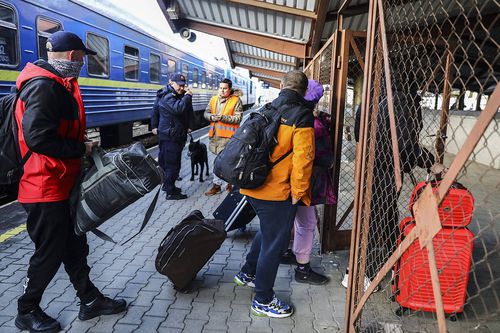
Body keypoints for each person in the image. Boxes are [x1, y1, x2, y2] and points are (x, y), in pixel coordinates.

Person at [13, 31, 126, 333]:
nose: (82, 64)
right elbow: (38, 138)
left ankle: (89, 300)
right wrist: (81, 148)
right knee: (49, 252)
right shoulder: (44, 87)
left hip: (60, 183)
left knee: (75, 246)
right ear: (75, 57)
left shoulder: (59, 84)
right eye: (82, 58)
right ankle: (27, 310)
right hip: (43, 187)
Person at [233, 70, 315, 318]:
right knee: (274, 245)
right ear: (303, 91)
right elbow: (304, 159)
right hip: (277, 193)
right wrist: (298, 193)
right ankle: (263, 299)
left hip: (252, 186)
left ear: (282, 85)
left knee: (267, 233)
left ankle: (247, 272)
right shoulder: (302, 115)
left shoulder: (267, 107)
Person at [286, 80, 334, 285]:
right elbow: (324, 158)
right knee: (308, 223)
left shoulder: (290, 115)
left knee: (292, 219)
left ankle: (286, 252)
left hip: (287, 179)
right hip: (306, 181)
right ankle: (302, 268)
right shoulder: (314, 125)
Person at [151, 72, 194, 200]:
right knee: (173, 165)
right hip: (170, 136)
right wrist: (188, 96)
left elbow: (188, 111)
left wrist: (190, 125)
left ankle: (168, 185)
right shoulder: (167, 96)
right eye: (179, 85)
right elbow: (178, 109)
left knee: (167, 163)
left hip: (174, 134)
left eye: (183, 85)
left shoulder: (177, 94)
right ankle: (170, 192)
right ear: (172, 83)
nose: (182, 88)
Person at [204, 78, 243, 196]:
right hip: (214, 137)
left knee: (227, 163)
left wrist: (222, 117)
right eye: (220, 88)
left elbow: (238, 118)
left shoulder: (236, 100)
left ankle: (228, 184)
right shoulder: (213, 99)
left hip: (228, 139)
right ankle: (217, 185)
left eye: (224, 88)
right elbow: (206, 113)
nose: (222, 90)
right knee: (215, 162)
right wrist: (211, 117)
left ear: (229, 89)